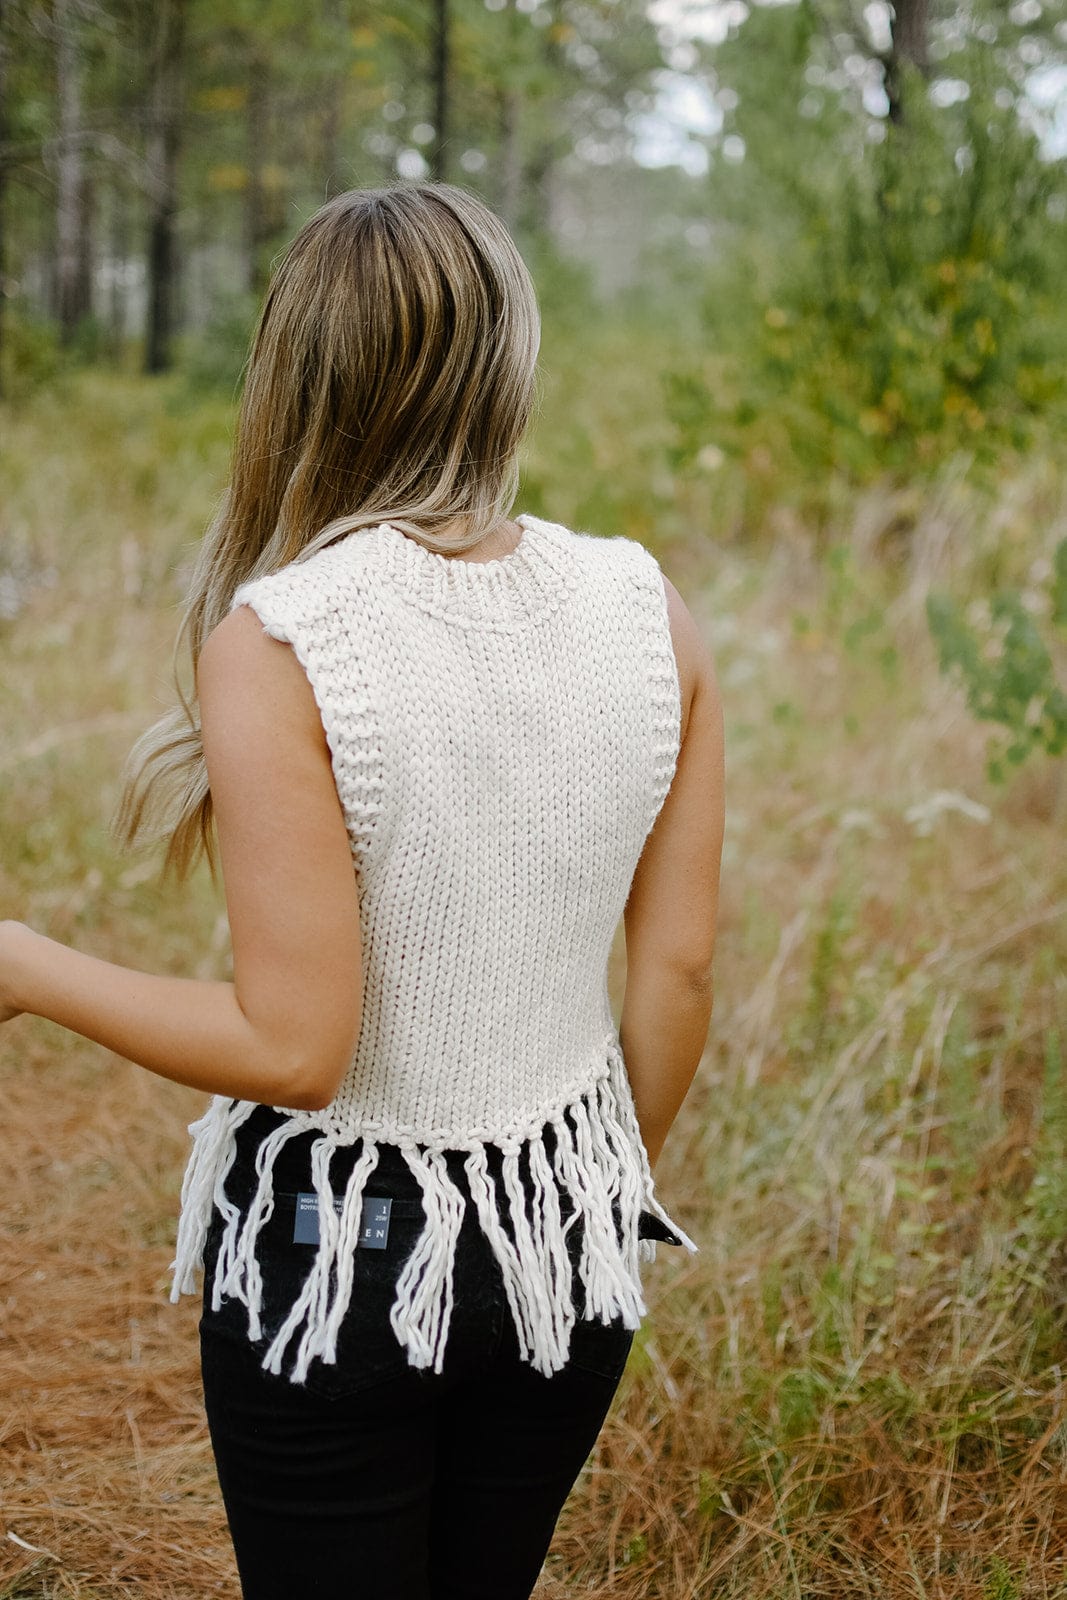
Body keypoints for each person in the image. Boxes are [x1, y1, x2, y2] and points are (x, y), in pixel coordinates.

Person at [0, 182, 724, 1600]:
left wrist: (25, 963)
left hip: (344, 1262)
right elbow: (678, 970)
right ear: (507, 363)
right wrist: (580, 1189)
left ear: (299, 378)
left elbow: (295, 1050)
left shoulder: (285, 639)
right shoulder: (650, 606)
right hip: (561, 1245)